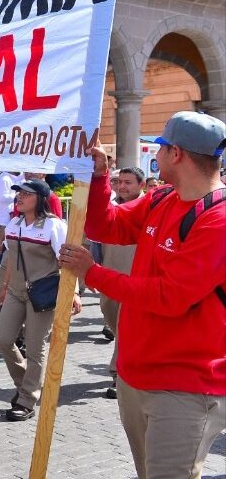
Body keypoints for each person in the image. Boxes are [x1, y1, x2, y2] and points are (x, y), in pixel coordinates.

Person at [60, 111, 225, 479]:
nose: (158, 154)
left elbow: (169, 297)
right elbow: (105, 226)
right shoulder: (163, 197)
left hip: (184, 386)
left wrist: (93, 273)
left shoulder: (217, 218)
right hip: (136, 376)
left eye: (163, 147)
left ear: (177, 155)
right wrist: (100, 176)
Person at [0, 178, 80, 422]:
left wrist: (73, 292)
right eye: (18, 193)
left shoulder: (54, 226)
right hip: (15, 291)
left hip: (42, 294)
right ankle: (26, 385)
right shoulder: (14, 223)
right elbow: (11, 259)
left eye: (26, 194)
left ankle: (27, 399)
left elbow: (68, 261)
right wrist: (5, 287)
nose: (19, 197)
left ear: (40, 199)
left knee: (34, 348)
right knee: (3, 340)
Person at [91, 166, 144, 399]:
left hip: (136, 284)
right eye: (119, 182)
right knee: (116, 327)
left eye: (128, 182)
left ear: (141, 185)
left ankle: (118, 375)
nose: (122, 186)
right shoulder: (110, 208)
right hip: (108, 280)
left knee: (126, 329)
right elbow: (96, 243)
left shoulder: (151, 209)